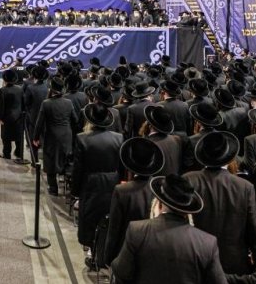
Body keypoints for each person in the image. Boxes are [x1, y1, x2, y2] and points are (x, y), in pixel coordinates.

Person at [111, 174, 227, 284]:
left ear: (159, 203)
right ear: (187, 211)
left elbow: (121, 272)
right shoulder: (207, 243)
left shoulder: (137, 231)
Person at [185, 131, 256, 275]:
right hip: (233, 262)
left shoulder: (189, 180)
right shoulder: (245, 187)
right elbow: (253, 228)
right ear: (229, 157)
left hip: (195, 257)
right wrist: (255, 253)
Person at [70, 102, 124, 268]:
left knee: (90, 220)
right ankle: (104, 254)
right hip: (113, 183)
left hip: (91, 183)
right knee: (109, 218)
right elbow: (121, 166)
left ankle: (93, 255)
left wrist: (75, 191)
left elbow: (78, 168)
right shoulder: (118, 137)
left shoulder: (82, 138)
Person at [103, 137, 165, 265]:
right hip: (152, 253)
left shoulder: (122, 191)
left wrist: (108, 258)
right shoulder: (160, 188)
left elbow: (114, 228)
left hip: (126, 251)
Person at [33, 75, 77, 196]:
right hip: (66, 136)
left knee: (50, 160)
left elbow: (39, 123)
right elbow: (75, 120)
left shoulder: (46, 103)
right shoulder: (69, 102)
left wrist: (35, 137)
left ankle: (53, 188)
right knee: (66, 158)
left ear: (51, 88)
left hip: (51, 136)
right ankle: (67, 185)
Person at [0, 68, 24, 162]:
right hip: (19, 116)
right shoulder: (20, 89)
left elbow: (1, 105)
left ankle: (7, 154)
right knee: (18, 137)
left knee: (6, 137)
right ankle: (19, 153)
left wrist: (0, 117)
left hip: (7, 117)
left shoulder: (3, 90)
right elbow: (23, 103)